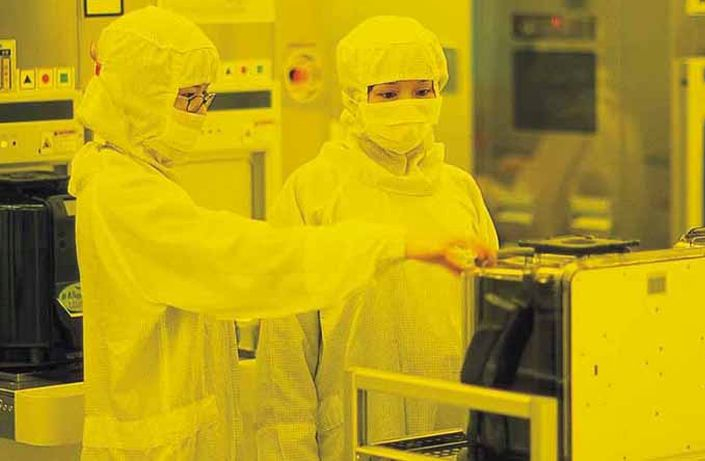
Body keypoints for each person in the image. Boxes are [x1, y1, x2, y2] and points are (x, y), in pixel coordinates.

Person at [70, 7, 492, 460]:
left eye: (202, 98)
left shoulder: (459, 189)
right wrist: (394, 244)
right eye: (187, 98)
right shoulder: (121, 196)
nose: (198, 114)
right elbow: (245, 262)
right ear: (138, 95)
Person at [255, 16, 499, 461]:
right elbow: (285, 350)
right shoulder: (314, 191)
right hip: (353, 430)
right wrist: (289, 446)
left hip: (454, 428)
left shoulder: (459, 190)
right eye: (387, 94)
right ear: (354, 97)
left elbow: (492, 321)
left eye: (421, 91)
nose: (407, 106)